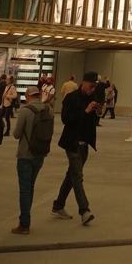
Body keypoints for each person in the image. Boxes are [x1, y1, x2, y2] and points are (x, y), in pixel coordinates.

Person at [51, 71, 98, 226]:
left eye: (94, 87)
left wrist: (97, 111)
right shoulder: (71, 98)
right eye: (91, 86)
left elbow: (93, 120)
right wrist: (84, 112)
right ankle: (84, 211)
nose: (93, 90)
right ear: (84, 83)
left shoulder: (92, 98)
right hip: (73, 143)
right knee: (77, 177)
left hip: (85, 144)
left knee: (71, 175)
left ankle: (58, 205)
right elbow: (66, 119)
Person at [11, 85, 54, 235]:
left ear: (28, 97)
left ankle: (24, 223)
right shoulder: (49, 109)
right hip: (40, 154)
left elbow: (16, 134)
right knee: (31, 187)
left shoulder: (25, 111)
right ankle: (25, 220)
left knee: (24, 189)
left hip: (25, 155)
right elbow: (50, 131)